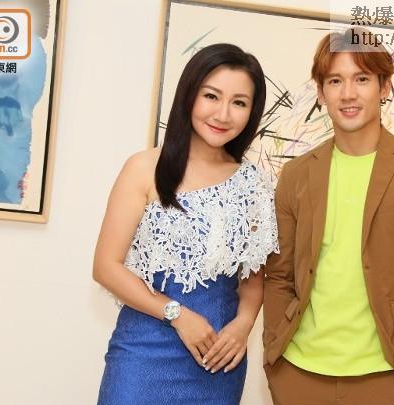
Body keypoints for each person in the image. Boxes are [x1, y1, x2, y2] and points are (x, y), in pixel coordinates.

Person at [263, 28, 394, 405]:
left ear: (384, 86)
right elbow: (279, 274)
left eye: (362, 79)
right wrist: (275, 354)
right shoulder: (296, 175)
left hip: (387, 373)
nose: (348, 94)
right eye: (335, 81)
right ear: (321, 92)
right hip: (298, 372)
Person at [93, 43, 278, 405]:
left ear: (251, 111)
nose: (223, 114)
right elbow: (106, 267)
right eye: (211, 96)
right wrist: (176, 315)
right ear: (189, 94)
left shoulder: (253, 183)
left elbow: (253, 282)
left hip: (216, 358)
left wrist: (242, 327)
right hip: (142, 351)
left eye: (239, 102)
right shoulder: (144, 168)